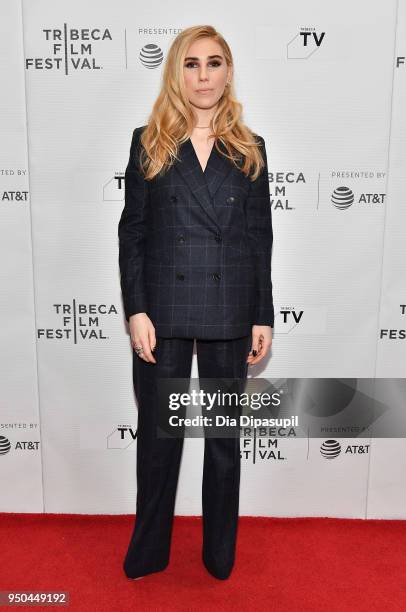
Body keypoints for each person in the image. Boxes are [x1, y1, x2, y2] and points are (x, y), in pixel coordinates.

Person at [118, 24, 274, 581]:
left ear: (228, 71)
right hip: (161, 313)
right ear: (176, 73)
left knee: (224, 443)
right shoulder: (148, 141)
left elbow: (259, 238)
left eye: (213, 63)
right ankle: (149, 552)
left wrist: (262, 314)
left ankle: (219, 555)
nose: (203, 75)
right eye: (191, 64)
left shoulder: (250, 147)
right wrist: (135, 309)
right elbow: (132, 231)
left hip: (231, 312)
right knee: (159, 442)